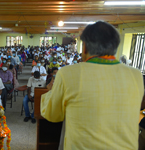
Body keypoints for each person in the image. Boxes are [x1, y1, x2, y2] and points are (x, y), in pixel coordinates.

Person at [41, 21, 144, 150]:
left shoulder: (68, 73)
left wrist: (50, 91)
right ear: (115, 47)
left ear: (84, 48)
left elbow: (53, 114)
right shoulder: (136, 75)